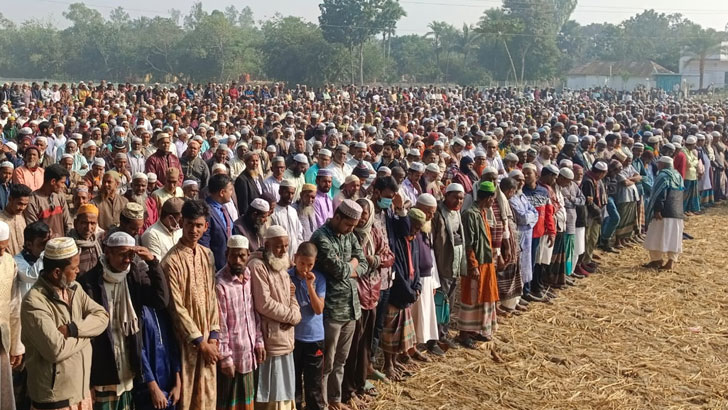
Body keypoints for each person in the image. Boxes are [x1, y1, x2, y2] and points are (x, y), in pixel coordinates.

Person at [77, 231, 168, 409]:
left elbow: (161, 300)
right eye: (122, 254)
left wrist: (152, 262)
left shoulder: (134, 276)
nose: (127, 259)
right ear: (107, 252)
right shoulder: (89, 282)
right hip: (103, 367)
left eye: (130, 255)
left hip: (128, 364)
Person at [20, 237, 109, 410]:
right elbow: (56, 350)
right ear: (57, 272)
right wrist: (89, 333)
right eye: (74, 268)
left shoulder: (74, 288)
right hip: (55, 401)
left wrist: (73, 329)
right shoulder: (34, 302)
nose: (78, 271)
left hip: (80, 393)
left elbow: (103, 316)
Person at [162, 200, 220, 410]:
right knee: (188, 396)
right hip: (185, 343)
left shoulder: (207, 255)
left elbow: (212, 297)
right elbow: (176, 308)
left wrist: (213, 336)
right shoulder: (170, 262)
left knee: (208, 395)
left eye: (199, 225)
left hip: (209, 341)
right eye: (189, 224)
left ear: (206, 226)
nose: (194, 230)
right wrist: (200, 342)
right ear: (181, 223)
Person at [310, 200, 367, 410]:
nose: (351, 230)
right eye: (348, 225)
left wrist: (351, 265)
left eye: (353, 226)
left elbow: (364, 263)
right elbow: (339, 270)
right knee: (327, 362)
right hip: (332, 310)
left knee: (341, 361)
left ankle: (335, 399)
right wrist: (352, 265)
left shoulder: (350, 235)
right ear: (337, 217)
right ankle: (322, 403)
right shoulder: (321, 237)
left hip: (351, 308)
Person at [344, 198, 393, 402]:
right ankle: (348, 389)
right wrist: (367, 262)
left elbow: (389, 255)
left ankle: (360, 382)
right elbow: (351, 266)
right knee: (351, 346)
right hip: (354, 295)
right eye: (360, 213)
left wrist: (377, 260)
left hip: (373, 293)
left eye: (365, 213)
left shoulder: (375, 231)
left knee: (365, 344)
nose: (362, 217)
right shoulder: (349, 234)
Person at [249, 226, 300, 410]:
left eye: (286, 246)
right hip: (270, 337)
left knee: (284, 387)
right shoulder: (257, 266)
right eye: (279, 246)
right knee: (270, 391)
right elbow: (264, 303)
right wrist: (292, 316)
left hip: (286, 336)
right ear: (267, 244)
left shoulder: (281, 264)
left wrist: (295, 314)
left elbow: (292, 293)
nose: (284, 250)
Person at [216, 235, 265, 410]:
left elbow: (255, 313)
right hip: (232, 356)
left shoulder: (249, 277)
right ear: (226, 254)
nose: (237, 260)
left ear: (248, 255)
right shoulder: (220, 284)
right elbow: (219, 325)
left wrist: (259, 341)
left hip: (249, 353)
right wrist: (225, 358)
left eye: (242, 256)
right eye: (233, 256)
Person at [458, 181, 499, 349]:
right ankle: (464, 333)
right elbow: (468, 243)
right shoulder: (470, 214)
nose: (493, 202)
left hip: (486, 262)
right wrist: (473, 265)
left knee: (484, 296)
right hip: (476, 264)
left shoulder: (481, 212)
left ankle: (476, 330)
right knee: (472, 296)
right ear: (488, 198)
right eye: (493, 199)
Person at [289, 242, 326, 410]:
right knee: (293, 381)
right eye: (302, 263)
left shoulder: (319, 278)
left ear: (315, 262)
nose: (305, 268)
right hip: (293, 337)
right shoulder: (287, 276)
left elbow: (318, 309)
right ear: (295, 258)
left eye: (309, 264)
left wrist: (310, 286)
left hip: (314, 337)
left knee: (314, 384)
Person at [431, 183, 466, 349]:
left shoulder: (457, 212)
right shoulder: (438, 214)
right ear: (447, 196)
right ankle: (434, 338)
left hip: (455, 264)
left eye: (461, 198)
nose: (458, 201)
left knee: (450, 302)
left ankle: (443, 334)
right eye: (455, 197)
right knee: (440, 302)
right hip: (442, 263)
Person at [643, 156, 684, 271]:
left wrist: (657, 210)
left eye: (659, 164)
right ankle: (671, 261)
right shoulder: (678, 175)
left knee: (655, 235)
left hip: (664, 213)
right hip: (677, 211)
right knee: (674, 238)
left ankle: (657, 259)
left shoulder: (663, 176)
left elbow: (660, 194)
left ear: (662, 164)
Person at [0, 220, 21, 410]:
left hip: (2, 340)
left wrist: (16, 345)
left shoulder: (8, 262)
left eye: (4, 248)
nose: (1, 253)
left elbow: (15, 305)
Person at [24, 164, 73, 238]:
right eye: (62, 183)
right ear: (53, 181)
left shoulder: (60, 196)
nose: (64, 186)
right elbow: (34, 229)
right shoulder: (33, 200)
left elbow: (68, 223)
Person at [14, 221, 51, 299]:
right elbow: (32, 276)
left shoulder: (46, 257)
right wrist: (47, 251)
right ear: (29, 245)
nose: (46, 247)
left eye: (48, 244)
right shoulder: (17, 261)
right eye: (42, 244)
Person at [270, 180, 304, 262]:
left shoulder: (293, 211)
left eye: (292, 193)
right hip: (280, 258)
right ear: (280, 192)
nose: (290, 196)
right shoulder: (273, 212)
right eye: (287, 193)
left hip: (295, 257)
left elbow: (299, 234)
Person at [0, 183, 31, 256]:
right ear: (10, 199)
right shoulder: (1, 222)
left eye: (25, 204)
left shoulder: (21, 216)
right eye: (20, 204)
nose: (22, 208)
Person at [235, 152, 264, 217]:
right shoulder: (242, 180)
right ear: (246, 162)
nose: (255, 163)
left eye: (256, 161)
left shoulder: (259, 177)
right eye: (252, 161)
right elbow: (243, 204)